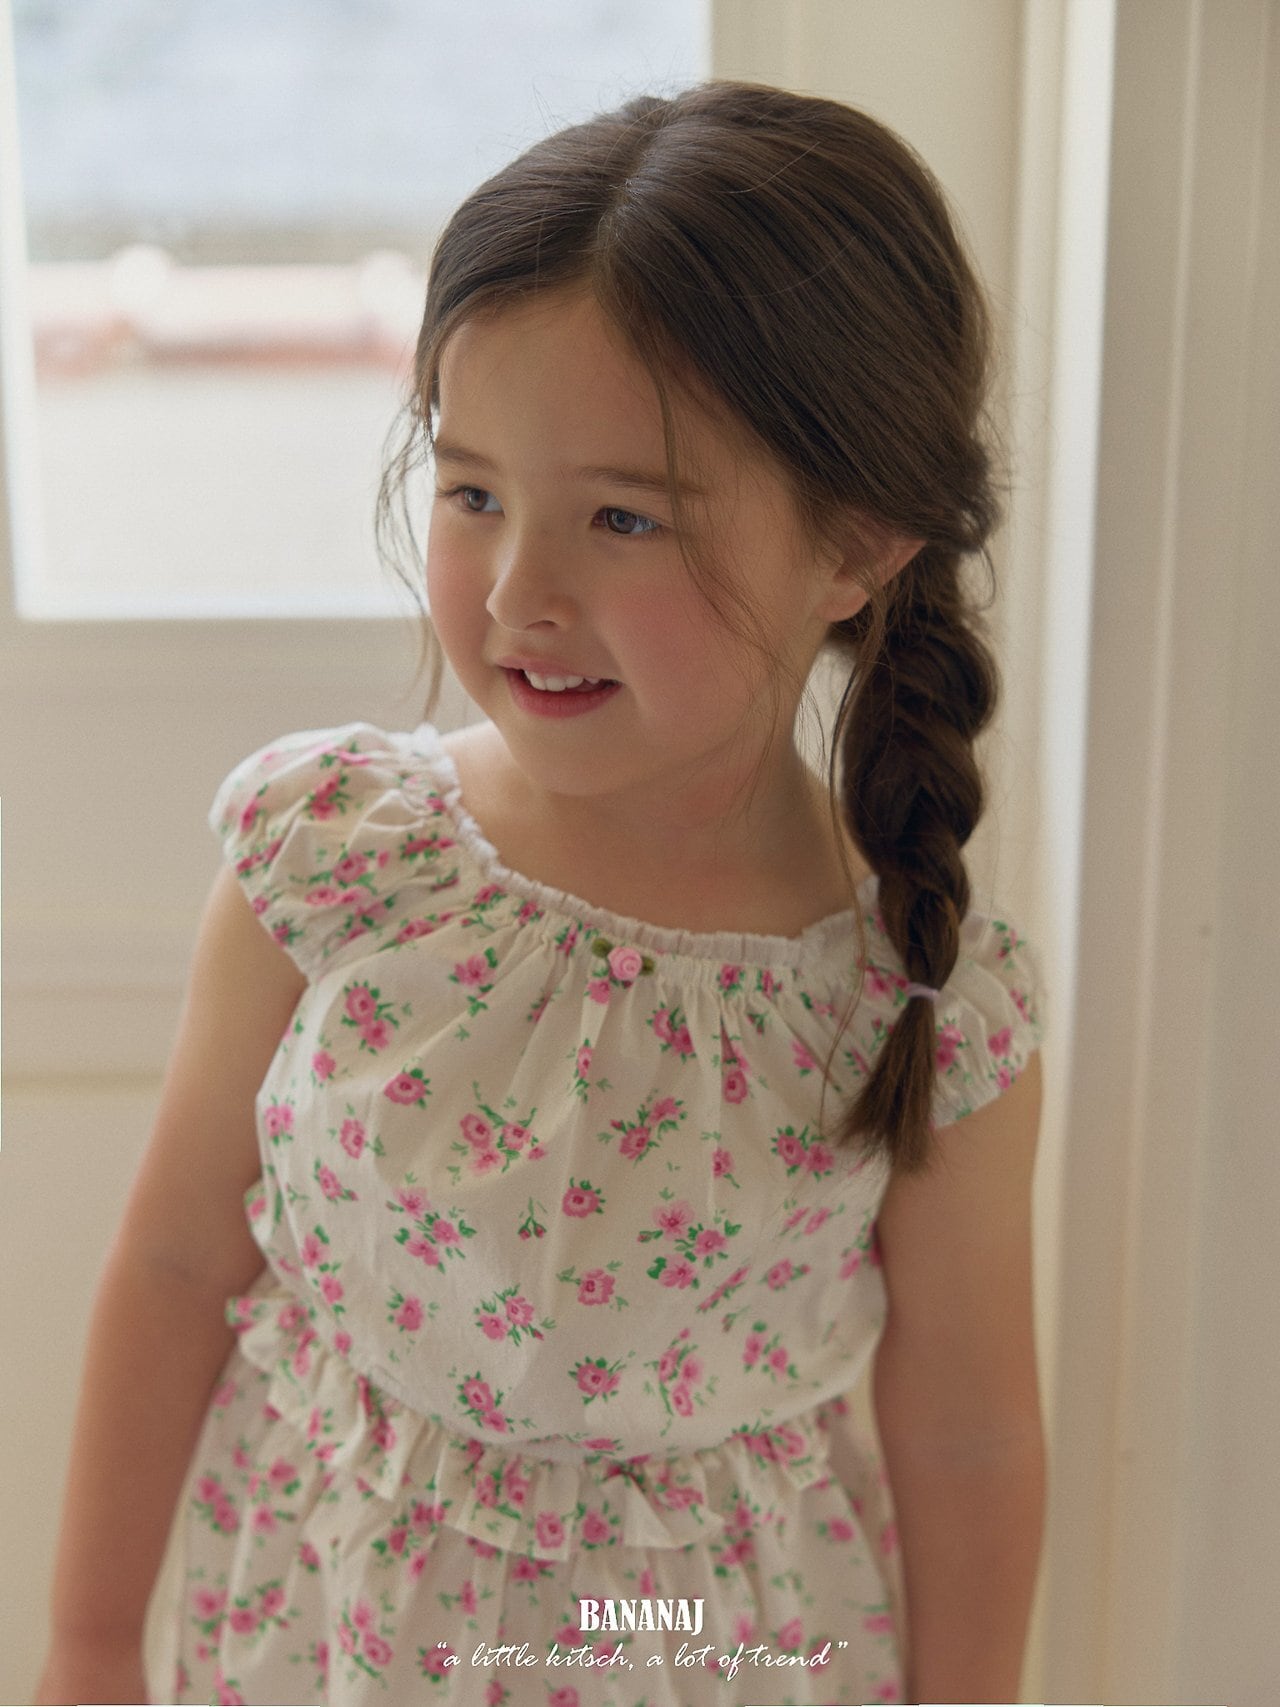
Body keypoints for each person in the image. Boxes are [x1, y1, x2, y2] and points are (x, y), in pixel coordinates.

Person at [35, 80, 1047, 1707]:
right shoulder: (336, 855)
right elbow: (173, 1263)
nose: (519, 593)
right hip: (322, 1644)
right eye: (473, 493)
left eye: (623, 517)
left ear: (856, 547)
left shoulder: (919, 1000)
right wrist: (88, 1647)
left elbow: (972, 1430)